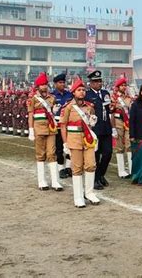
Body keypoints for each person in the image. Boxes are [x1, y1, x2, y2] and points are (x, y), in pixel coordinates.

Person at [60, 78, 100, 208]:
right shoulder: (68, 107)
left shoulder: (89, 106)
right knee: (76, 168)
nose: (82, 92)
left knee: (91, 164)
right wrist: (65, 143)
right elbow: (63, 126)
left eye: (83, 90)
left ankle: (89, 193)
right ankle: (78, 196)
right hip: (74, 140)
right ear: (73, 92)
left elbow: (91, 124)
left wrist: (93, 122)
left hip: (87, 140)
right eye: (79, 90)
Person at [27, 72, 63, 192]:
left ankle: (55, 181)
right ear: (37, 86)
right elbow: (31, 115)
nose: (44, 87)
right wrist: (31, 130)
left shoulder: (52, 98)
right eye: (42, 85)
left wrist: (54, 110)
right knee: (40, 154)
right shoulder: (32, 99)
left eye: (46, 84)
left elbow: (52, 113)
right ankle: (41, 180)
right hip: (38, 128)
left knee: (52, 153)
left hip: (51, 128)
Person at [85, 70, 114, 190]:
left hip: (106, 127)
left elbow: (109, 110)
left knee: (108, 153)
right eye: (96, 81)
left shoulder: (105, 93)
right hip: (95, 128)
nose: (99, 83)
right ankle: (96, 179)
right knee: (95, 155)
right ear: (91, 83)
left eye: (100, 81)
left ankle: (101, 174)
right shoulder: (87, 95)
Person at [51, 73, 73, 179]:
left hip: (69, 124)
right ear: (55, 84)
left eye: (63, 82)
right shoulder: (52, 96)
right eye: (60, 82)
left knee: (71, 145)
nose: (62, 84)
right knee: (59, 148)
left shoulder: (69, 95)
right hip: (57, 125)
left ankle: (68, 167)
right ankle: (61, 168)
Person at [111, 77, 132, 178]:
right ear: (118, 87)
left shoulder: (129, 97)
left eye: (125, 85)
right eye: (122, 85)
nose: (124, 87)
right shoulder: (114, 97)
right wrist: (113, 127)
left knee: (129, 145)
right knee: (119, 146)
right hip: (118, 121)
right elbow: (111, 111)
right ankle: (121, 170)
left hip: (128, 121)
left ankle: (132, 169)